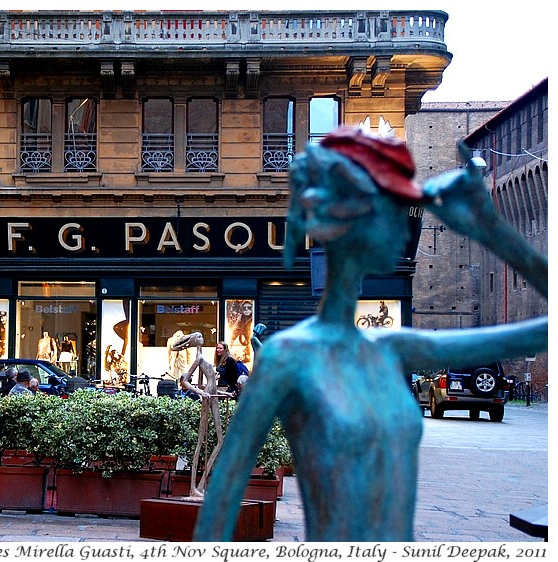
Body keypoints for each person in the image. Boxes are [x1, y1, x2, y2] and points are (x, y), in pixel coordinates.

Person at [194, 129, 547, 542]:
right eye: (393, 212)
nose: (404, 229)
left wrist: (490, 228)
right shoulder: (288, 356)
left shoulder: (394, 348)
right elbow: (221, 501)